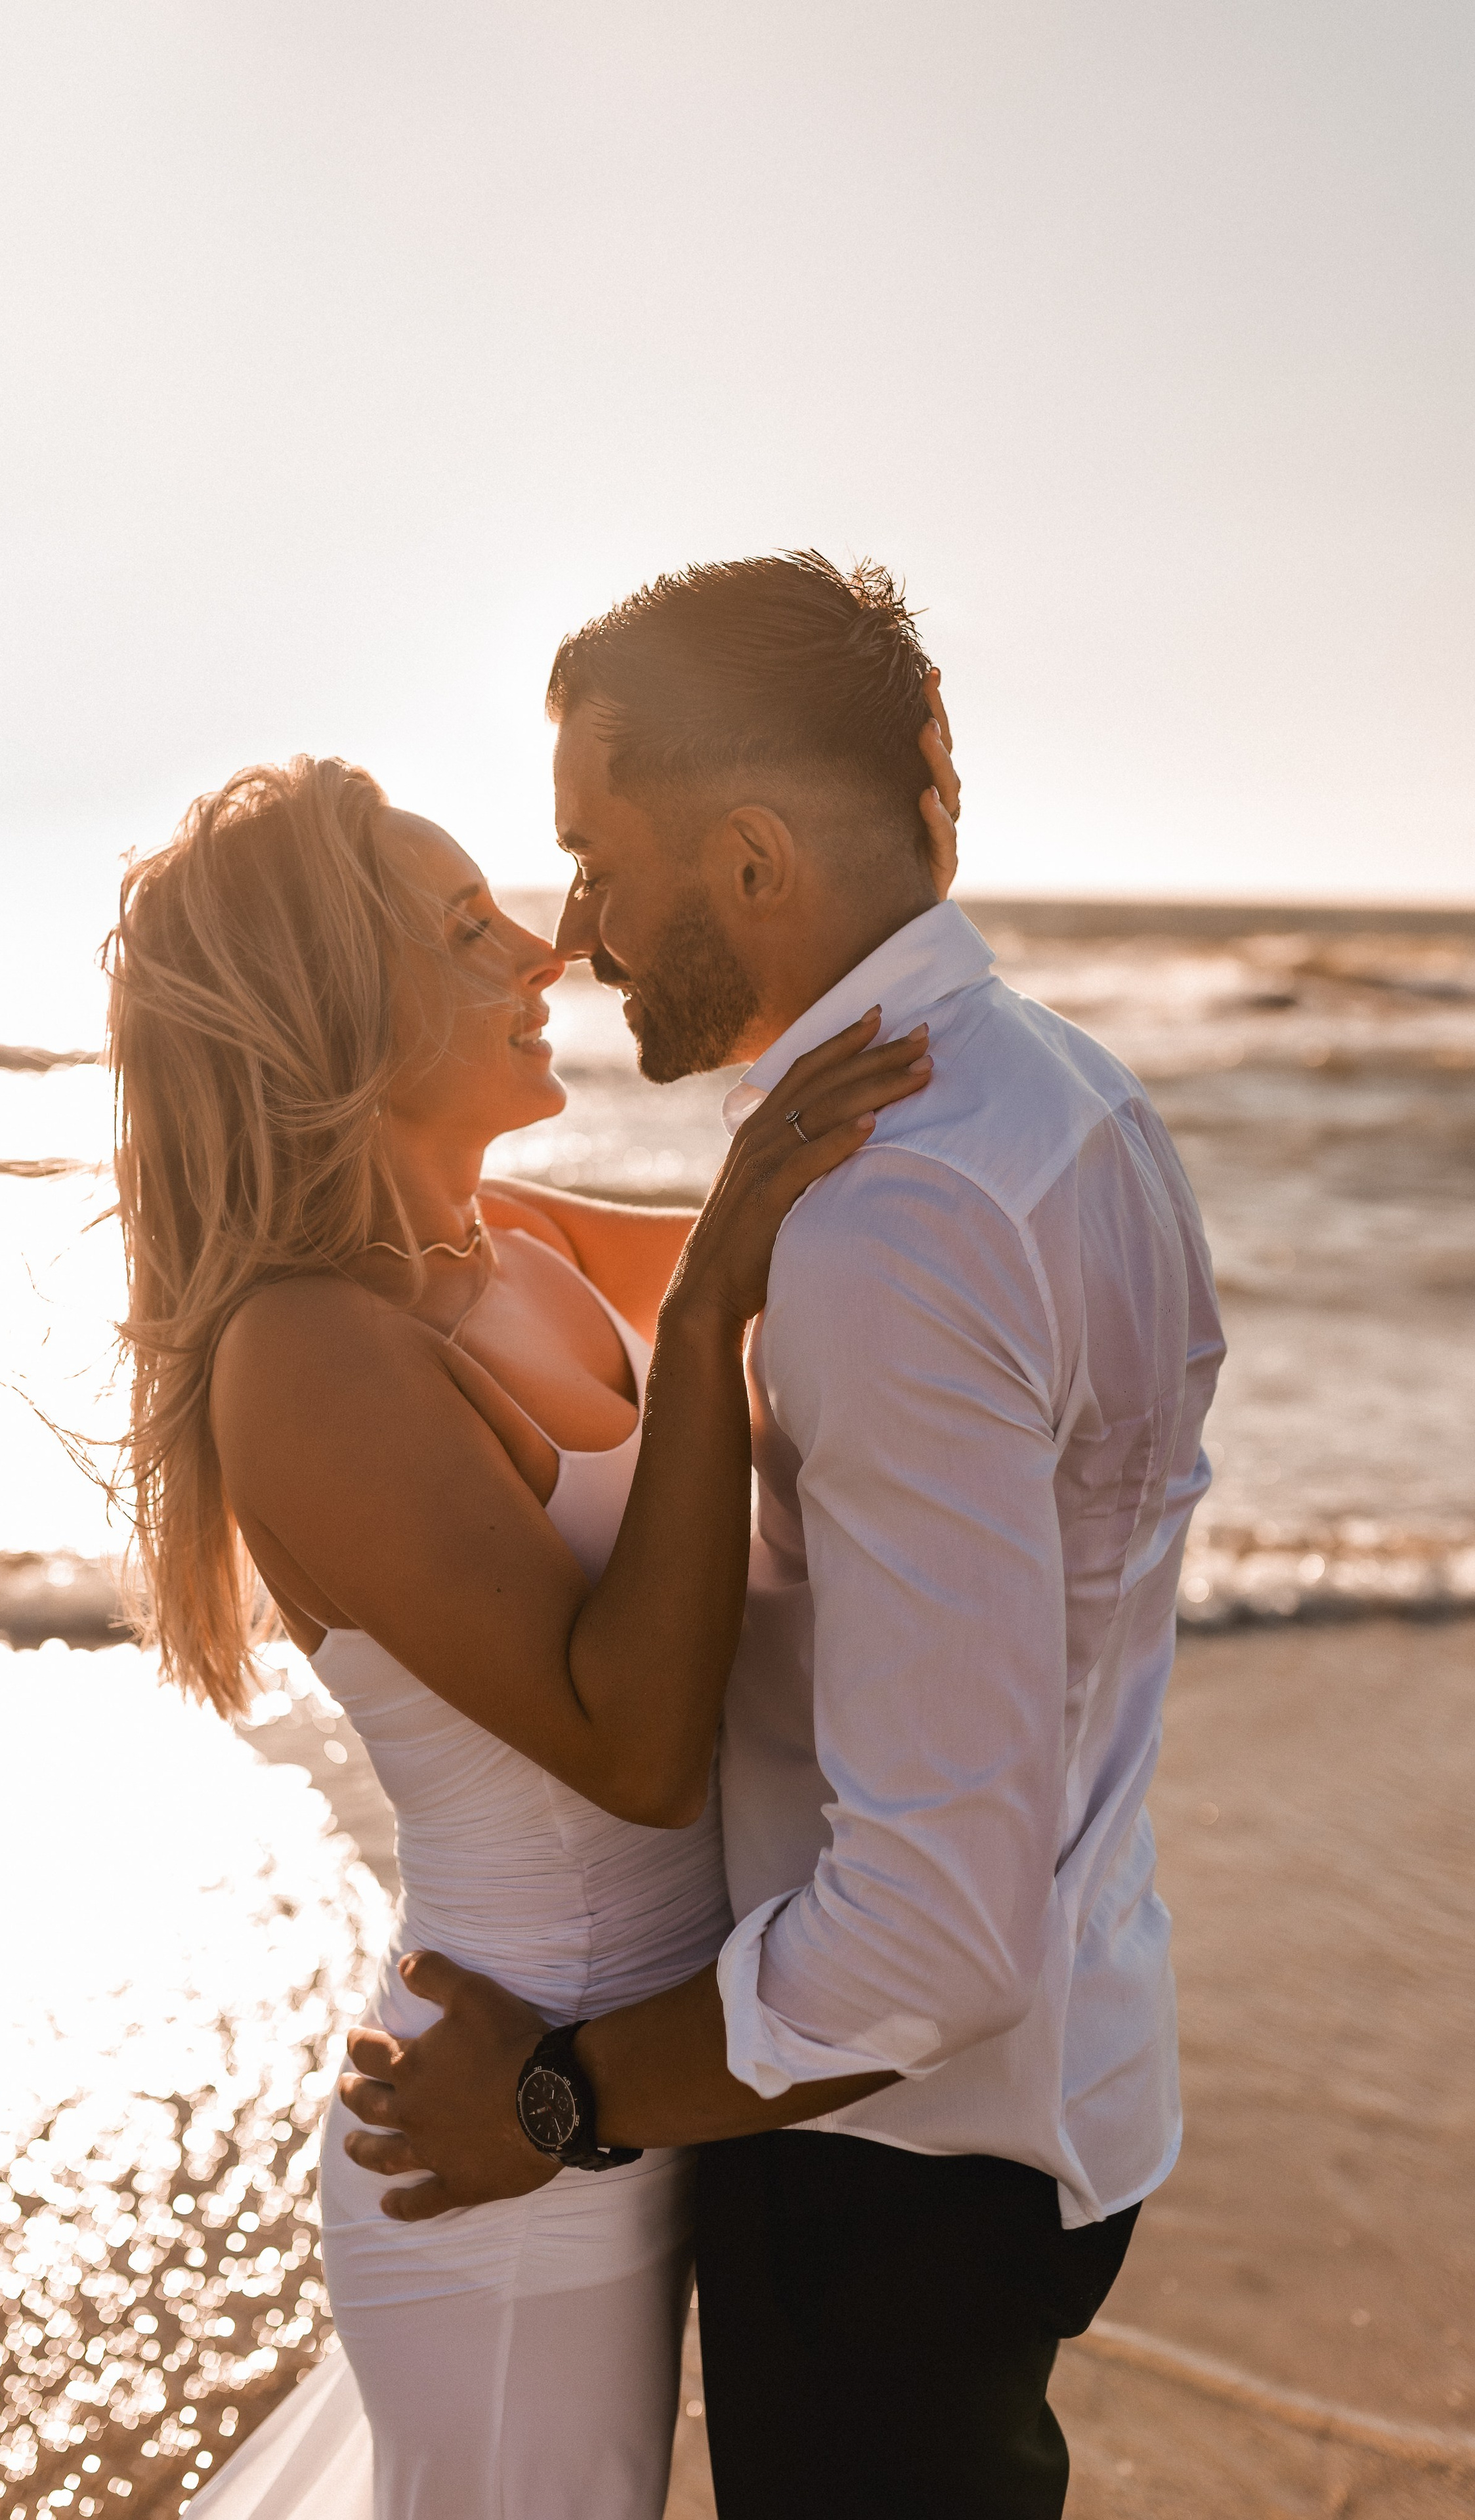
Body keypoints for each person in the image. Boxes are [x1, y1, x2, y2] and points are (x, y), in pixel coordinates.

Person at [339, 551, 1226, 2518]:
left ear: (748, 858)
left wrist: (555, 2100)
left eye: (595, 861)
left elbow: (925, 1936)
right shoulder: (1063, 1101)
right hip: (1052, 2091)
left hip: (888, 2165)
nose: (573, 932)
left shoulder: (893, 1225)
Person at [102, 744, 946, 2519]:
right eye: (465, 927)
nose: (542, 950)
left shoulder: (503, 1242)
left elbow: (844, 1232)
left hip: (633, 2092)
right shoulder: (309, 1350)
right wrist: (705, 1312)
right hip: (506, 2149)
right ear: (332, 1001)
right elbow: (636, 1755)